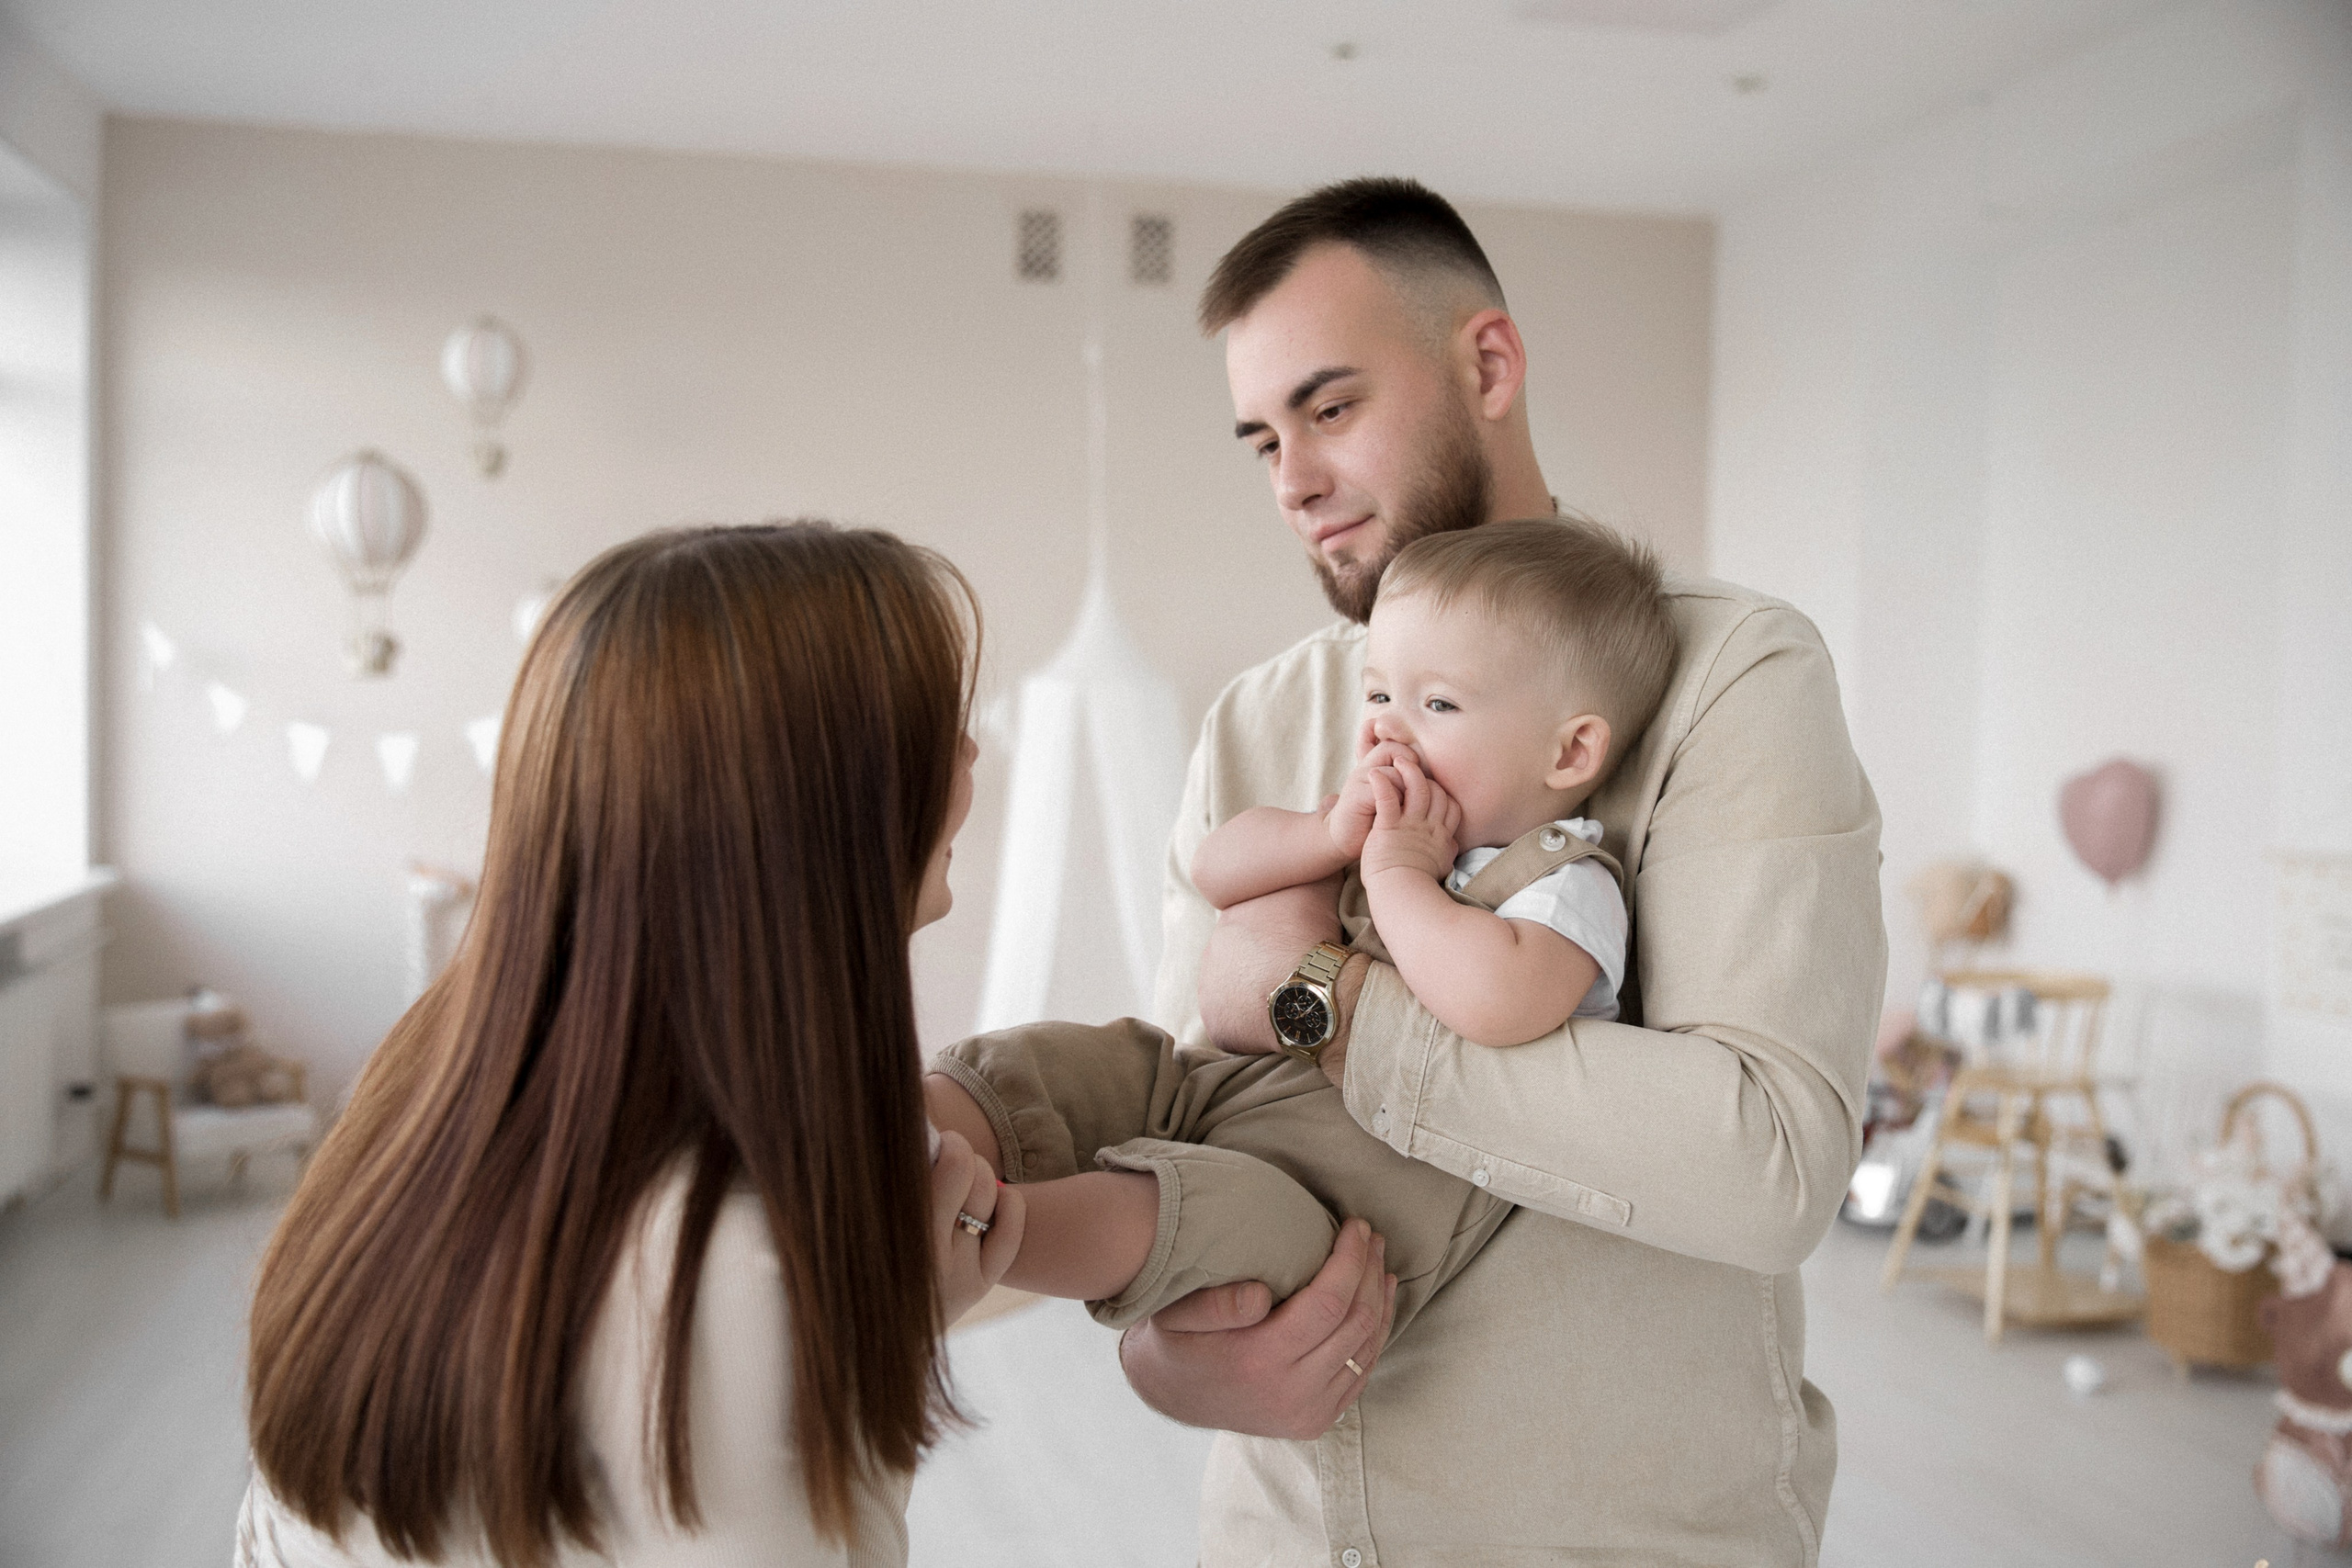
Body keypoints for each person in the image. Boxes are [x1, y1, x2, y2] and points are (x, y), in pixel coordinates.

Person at [1117, 178, 1885, 1563]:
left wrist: (1326, 1000)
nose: (1291, 481)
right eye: (1263, 439)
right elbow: (1182, 1117)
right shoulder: (1251, 723)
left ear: (1487, 366)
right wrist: (1165, 1361)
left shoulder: (1729, 676)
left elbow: (1768, 1164)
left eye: (1329, 408)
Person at [236, 522, 1025, 1567]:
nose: (972, 756)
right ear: (808, 817)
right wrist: (881, 1356)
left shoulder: (419, 1086)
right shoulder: (725, 1285)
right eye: (935, 731)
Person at [921, 517, 1675, 1342]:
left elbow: (1495, 1001)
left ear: (1569, 753)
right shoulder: (1375, 827)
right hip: (1210, 1085)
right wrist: (1324, 835)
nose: (1388, 729)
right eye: (1379, 695)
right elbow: (1217, 868)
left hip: (1333, 1208)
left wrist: (1397, 877)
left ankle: (969, 1235)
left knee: (1193, 1211)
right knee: (1078, 1061)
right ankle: (904, 1143)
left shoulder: (1563, 883)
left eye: (1438, 703)